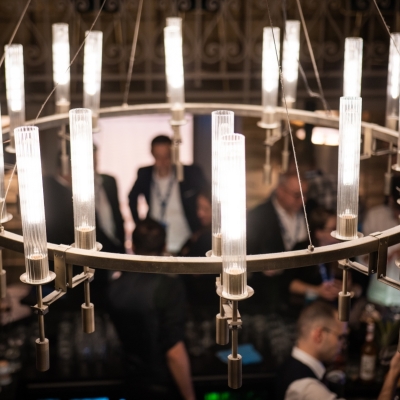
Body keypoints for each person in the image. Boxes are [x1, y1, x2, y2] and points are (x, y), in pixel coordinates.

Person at [108, 218, 196, 400]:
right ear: (164, 246)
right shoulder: (170, 287)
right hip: (162, 386)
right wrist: (189, 396)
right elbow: (174, 350)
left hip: (131, 383)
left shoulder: (115, 287)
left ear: (132, 246)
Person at [276, 301, 400, 400]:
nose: (343, 345)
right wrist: (394, 371)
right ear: (319, 335)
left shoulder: (289, 365)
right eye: (340, 337)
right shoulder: (307, 388)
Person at [128, 135, 207, 254]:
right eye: (158, 157)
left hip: (186, 241)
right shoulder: (145, 173)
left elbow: (207, 198)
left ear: (173, 154)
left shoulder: (190, 173)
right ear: (152, 154)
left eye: (167, 156)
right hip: (155, 242)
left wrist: (201, 231)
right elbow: (132, 198)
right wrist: (140, 225)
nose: (163, 162)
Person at [246, 172, 309, 313]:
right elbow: (248, 252)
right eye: (297, 195)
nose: (303, 201)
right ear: (280, 190)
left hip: (302, 292)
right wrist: (261, 265)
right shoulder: (258, 215)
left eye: (305, 195)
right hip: (268, 295)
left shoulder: (309, 211)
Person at [362, 176, 400, 307]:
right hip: (377, 294)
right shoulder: (376, 216)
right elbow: (362, 259)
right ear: (390, 199)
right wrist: (384, 257)